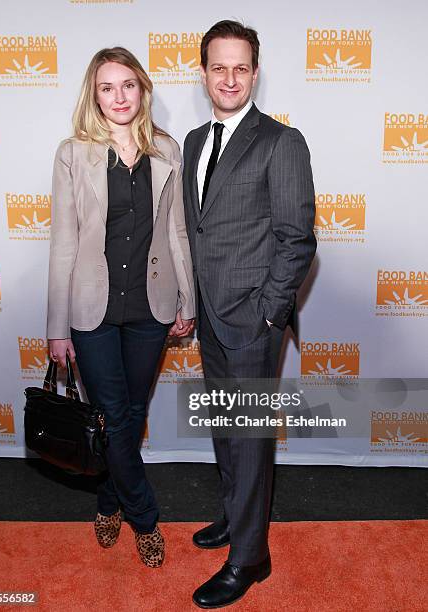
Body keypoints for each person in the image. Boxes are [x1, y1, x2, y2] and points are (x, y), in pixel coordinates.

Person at [182, 21, 316, 607]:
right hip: (210, 316)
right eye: (219, 67)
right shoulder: (193, 140)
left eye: (241, 67)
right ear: (205, 72)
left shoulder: (281, 142)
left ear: (255, 73)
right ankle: (238, 523)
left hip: (252, 321)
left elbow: (296, 240)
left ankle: (250, 559)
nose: (230, 78)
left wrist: (268, 314)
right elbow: (199, 230)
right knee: (226, 430)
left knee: (251, 437)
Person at [47, 47, 195, 569]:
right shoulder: (73, 153)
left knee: (131, 414)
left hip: (150, 307)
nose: (118, 96)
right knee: (112, 413)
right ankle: (146, 518)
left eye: (127, 85)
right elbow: (63, 244)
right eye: (106, 87)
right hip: (92, 311)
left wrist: (187, 298)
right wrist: (55, 327)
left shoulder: (166, 150)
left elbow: (176, 232)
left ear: (143, 89)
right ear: (94, 95)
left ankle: (108, 503)